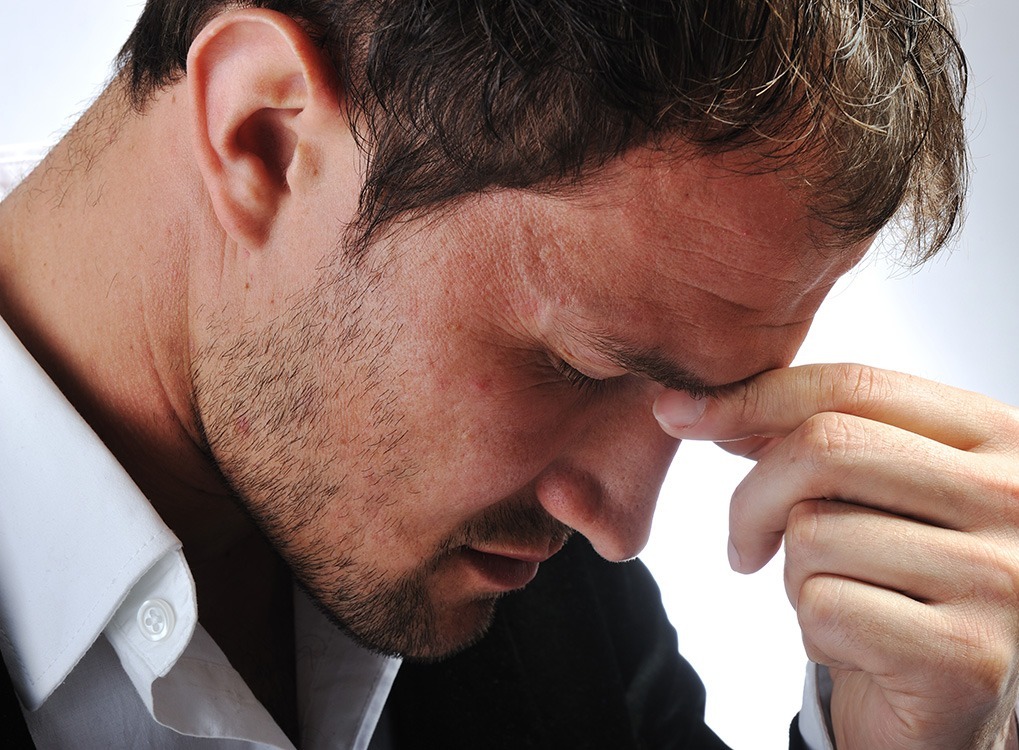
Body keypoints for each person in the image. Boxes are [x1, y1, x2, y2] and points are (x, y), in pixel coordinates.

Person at [1, 0, 1014, 748]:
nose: (619, 529)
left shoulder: (536, 598)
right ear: (261, 136)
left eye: (690, 407)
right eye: (575, 367)